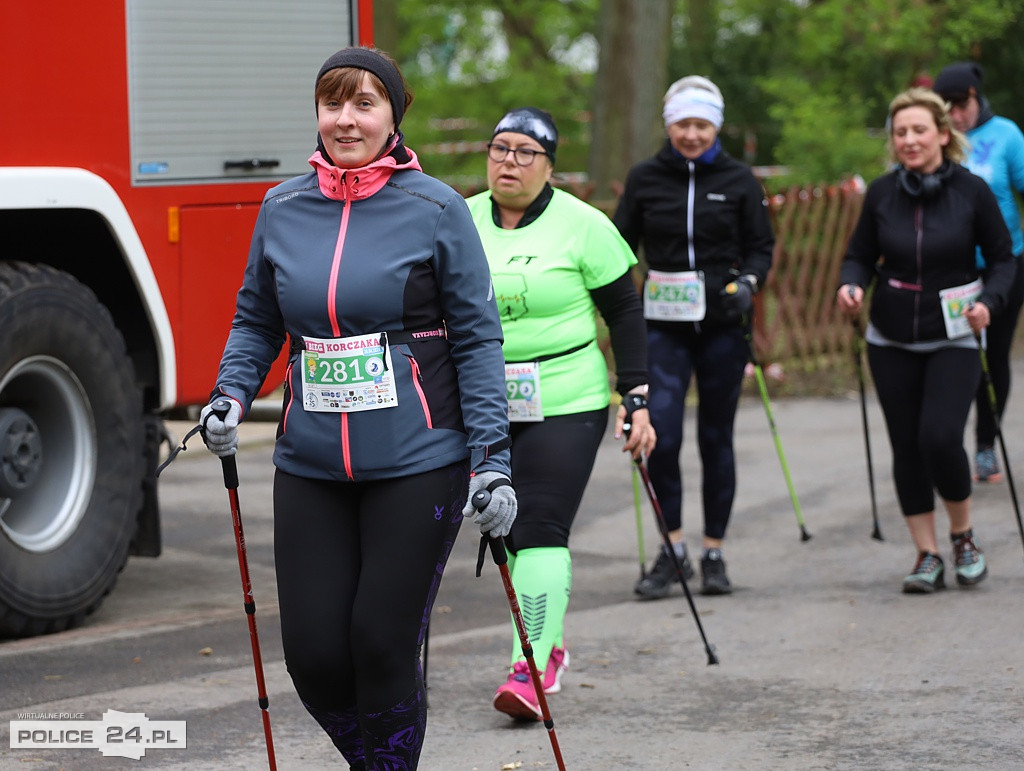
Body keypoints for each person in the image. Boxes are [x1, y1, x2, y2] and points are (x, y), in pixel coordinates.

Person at [200, 47, 516, 770]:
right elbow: (257, 319)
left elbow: (477, 340)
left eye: (365, 103)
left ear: (393, 117)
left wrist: (493, 461)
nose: (346, 119)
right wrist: (230, 391)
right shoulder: (282, 206)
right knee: (313, 656)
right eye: (333, 103)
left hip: (420, 460)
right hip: (310, 461)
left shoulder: (434, 208)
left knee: (380, 639)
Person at [466, 107, 656, 721]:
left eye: (526, 153)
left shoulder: (585, 225)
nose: (510, 163)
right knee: (507, 534)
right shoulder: (460, 219)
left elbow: (625, 315)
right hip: (485, 400)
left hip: (566, 395)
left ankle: (528, 669)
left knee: (540, 526)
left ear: (549, 165)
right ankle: (549, 645)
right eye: (500, 149)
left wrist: (637, 397)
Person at [837, 87, 1015, 593]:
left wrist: (991, 303)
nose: (910, 140)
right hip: (889, 335)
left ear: (942, 133)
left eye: (919, 130)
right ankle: (926, 554)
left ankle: (963, 535)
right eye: (900, 133)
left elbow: (1003, 260)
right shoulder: (881, 192)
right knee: (906, 447)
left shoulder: (971, 191)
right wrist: (850, 285)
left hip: (955, 331)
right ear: (892, 142)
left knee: (938, 437)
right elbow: (858, 255)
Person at [612, 76, 775, 598]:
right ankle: (672, 550)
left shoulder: (740, 179)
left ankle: (715, 552)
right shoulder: (644, 179)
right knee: (663, 437)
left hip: (723, 327)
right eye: (683, 124)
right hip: (663, 328)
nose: (692, 134)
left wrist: (747, 283)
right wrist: (626, 298)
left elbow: (761, 247)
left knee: (715, 438)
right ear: (668, 125)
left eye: (701, 124)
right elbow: (619, 249)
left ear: (716, 126)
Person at [933, 61, 1024, 483]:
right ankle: (943, 444)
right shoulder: (936, 138)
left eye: (961, 103)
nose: (955, 113)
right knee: (955, 357)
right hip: (952, 269)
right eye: (945, 105)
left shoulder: (1006, 135)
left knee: (994, 356)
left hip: (1005, 265)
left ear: (975, 97)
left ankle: (985, 445)